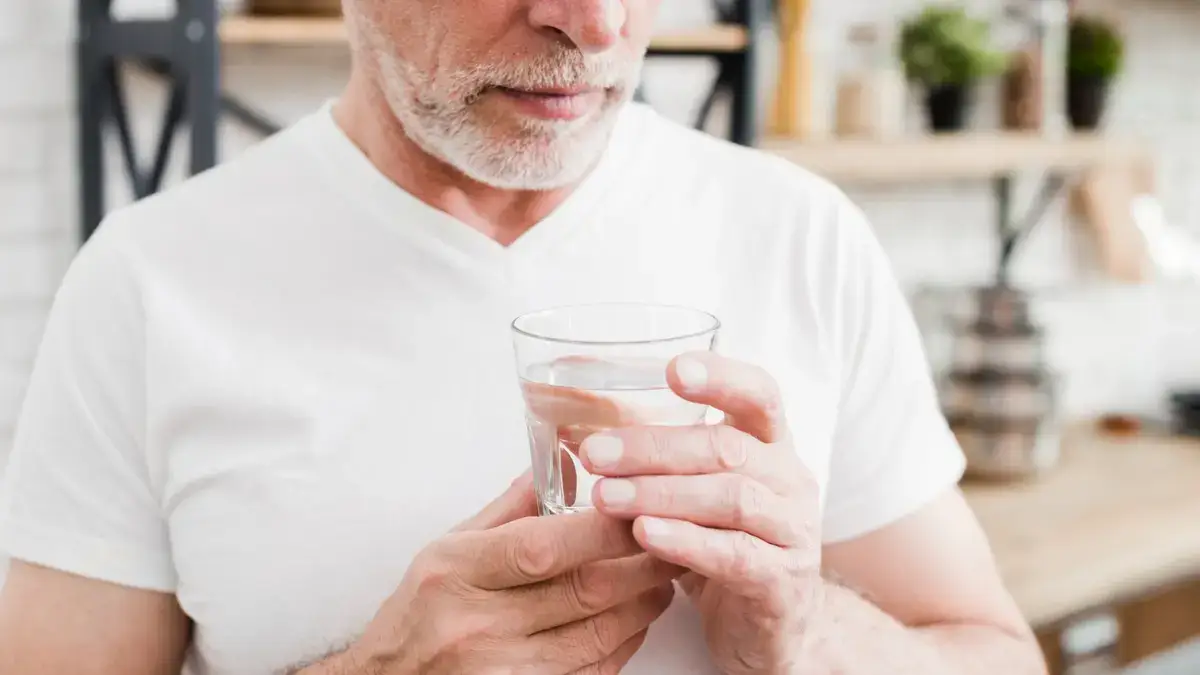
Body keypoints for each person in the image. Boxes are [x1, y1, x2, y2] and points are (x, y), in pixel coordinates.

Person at [0, 0, 1046, 673]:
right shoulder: (149, 284)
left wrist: (806, 633)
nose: (594, 22)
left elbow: (994, 656)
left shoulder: (799, 233)